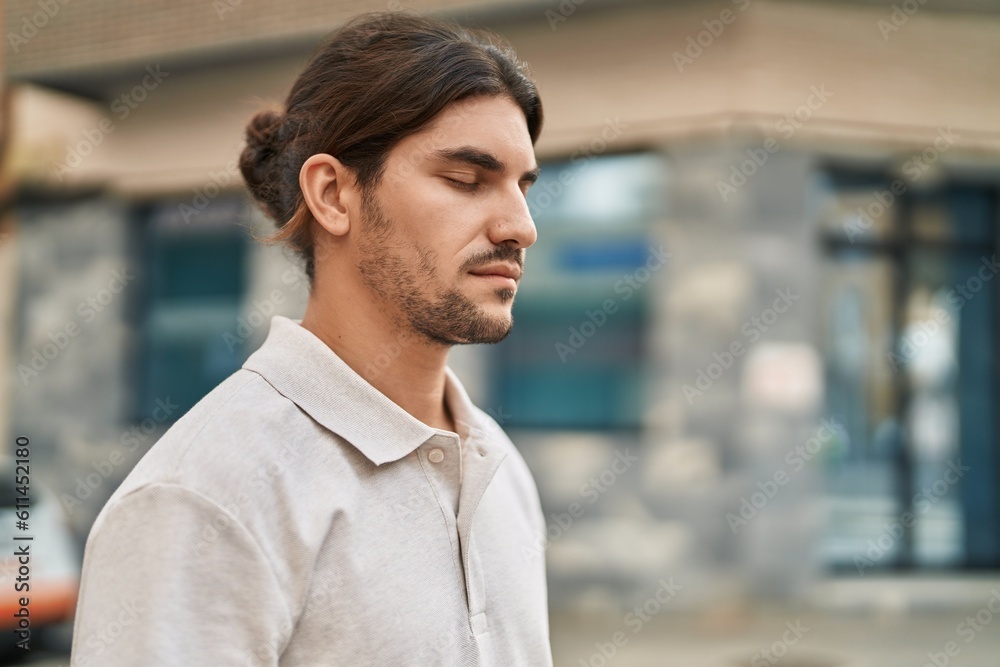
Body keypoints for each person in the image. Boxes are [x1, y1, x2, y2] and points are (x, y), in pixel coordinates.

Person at [70, 10, 552, 666]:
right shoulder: (205, 498)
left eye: (523, 187)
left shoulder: (498, 467)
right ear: (331, 194)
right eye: (467, 180)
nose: (520, 226)